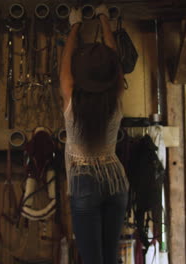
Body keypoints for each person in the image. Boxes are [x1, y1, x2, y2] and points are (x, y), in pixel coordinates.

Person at [60, 4, 129, 264]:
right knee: (111, 258)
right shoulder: (116, 97)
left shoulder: (71, 100)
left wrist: (74, 26)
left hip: (84, 181)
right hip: (115, 179)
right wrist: (104, 20)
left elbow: (65, 67)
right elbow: (115, 61)